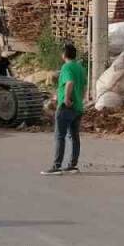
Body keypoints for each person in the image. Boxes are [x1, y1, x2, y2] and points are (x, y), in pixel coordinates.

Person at [43, 43, 86, 175]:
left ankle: (56, 166)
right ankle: (73, 165)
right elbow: (84, 88)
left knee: (60, 136)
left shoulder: (66, 67)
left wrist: (66, 98)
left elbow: (70, 82)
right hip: (78, 106)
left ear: (64, 55)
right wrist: (80, 99)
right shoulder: (80, 68)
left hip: (67, 107)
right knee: (74, 137)